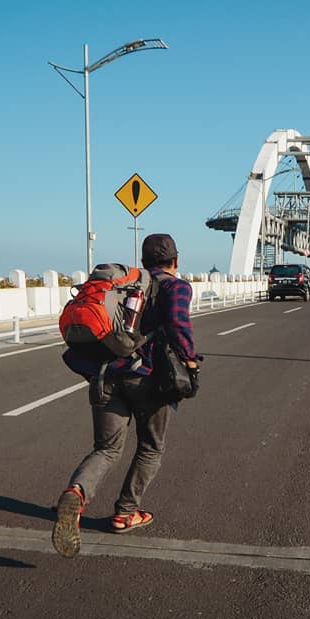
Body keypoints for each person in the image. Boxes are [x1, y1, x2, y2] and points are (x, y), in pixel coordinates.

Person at [52, 233, 198, 558]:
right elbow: (178, 323)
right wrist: (190, 361)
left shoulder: (127, 286)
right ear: (175, 260)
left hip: (106, 375)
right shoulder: (176, 287)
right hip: (148, 379)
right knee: (150, 447)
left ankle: (76, 492)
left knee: (106, 449)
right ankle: (126, 512)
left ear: (143, 262)